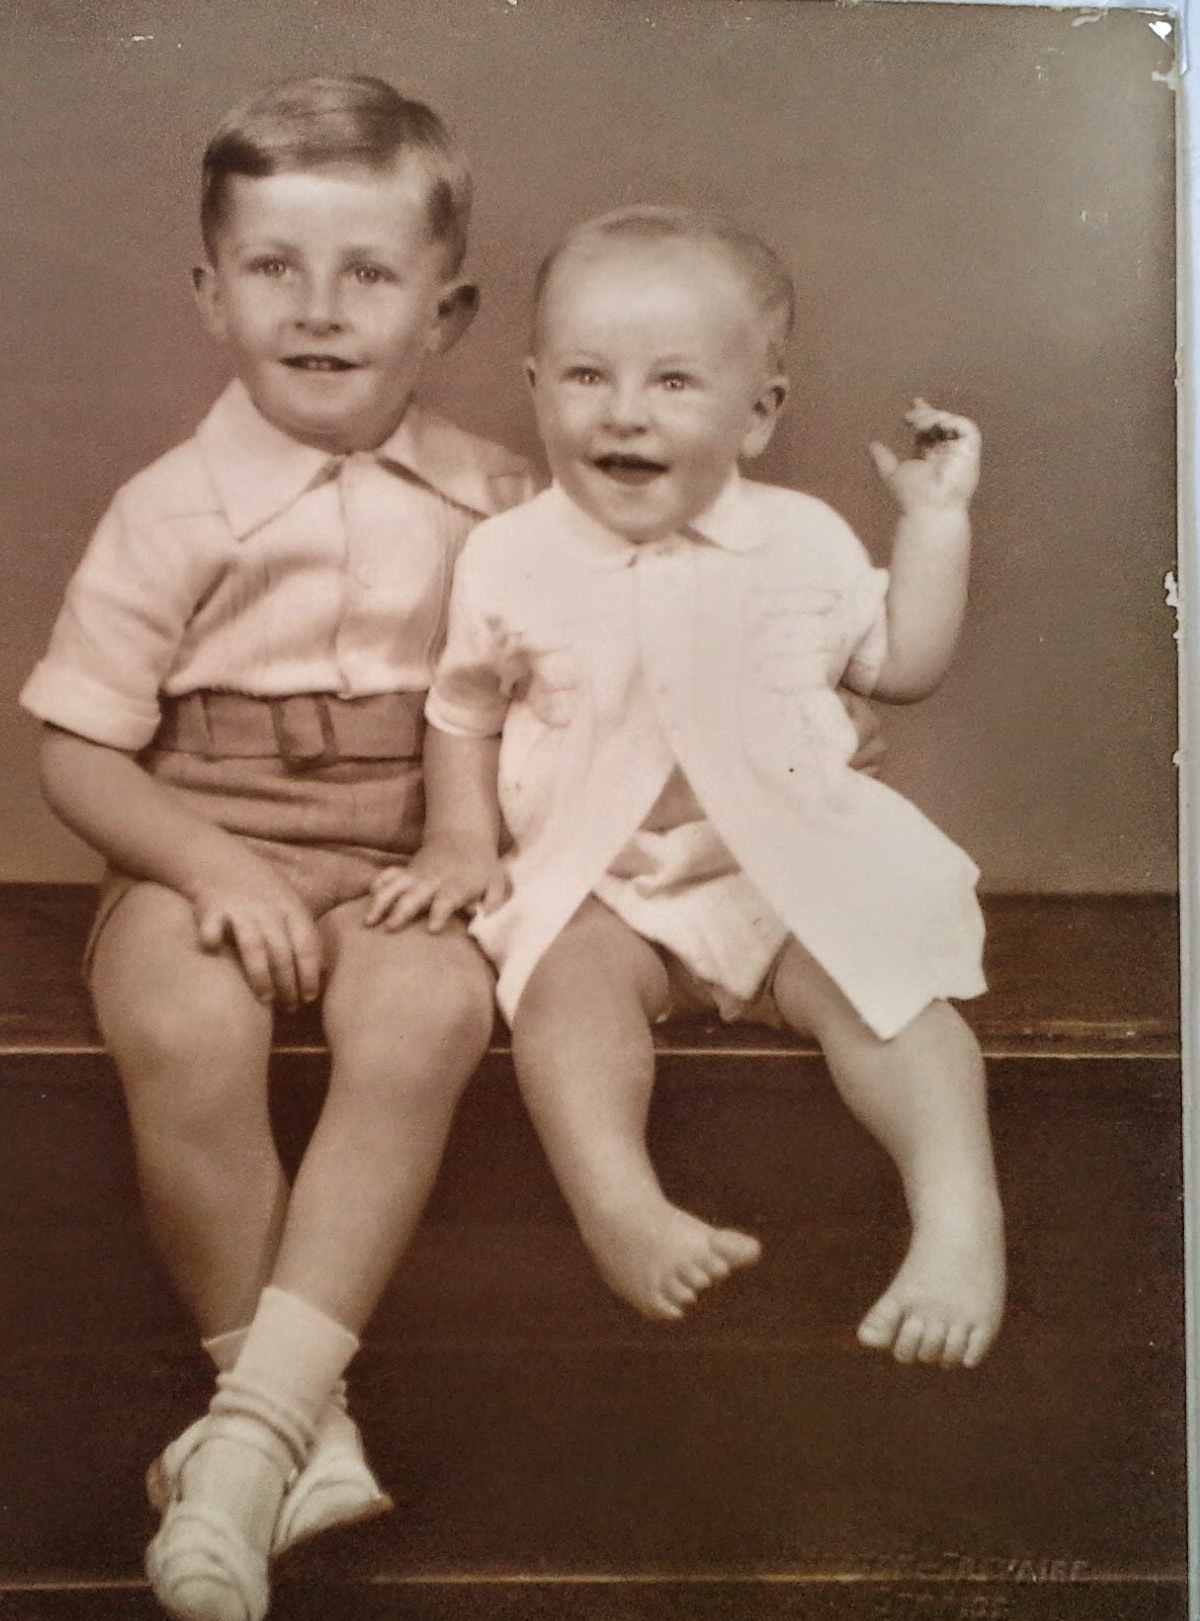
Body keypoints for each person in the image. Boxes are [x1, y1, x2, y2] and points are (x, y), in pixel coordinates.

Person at [20, 74, 536, 1621]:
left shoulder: (503, 499)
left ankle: (246, 1439)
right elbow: (78, 751)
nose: (318, 308)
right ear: (210, 292)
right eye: (273, 267)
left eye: (369, 272)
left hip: (418, 845)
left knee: (430, 1012)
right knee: (184, 1017)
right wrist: (207, 865)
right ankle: (294, 1421)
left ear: (445, 312)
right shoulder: (168, 508)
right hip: (205, 828)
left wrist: (470, 836)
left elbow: (600, 669)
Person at [370, 206, 1005, 1377]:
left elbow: (903, 665)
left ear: (758, 411)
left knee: (894, 1000)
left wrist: (935, 524)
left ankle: (959, 1215)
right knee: (564, 999)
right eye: (587, 376)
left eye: (672, 380)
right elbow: (461, 708)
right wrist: (459, 838)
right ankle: (622, 1205)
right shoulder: (510, 555)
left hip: (788, 872)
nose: (624, 411)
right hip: (605, 883)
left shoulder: (805, 541)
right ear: (537, 389)